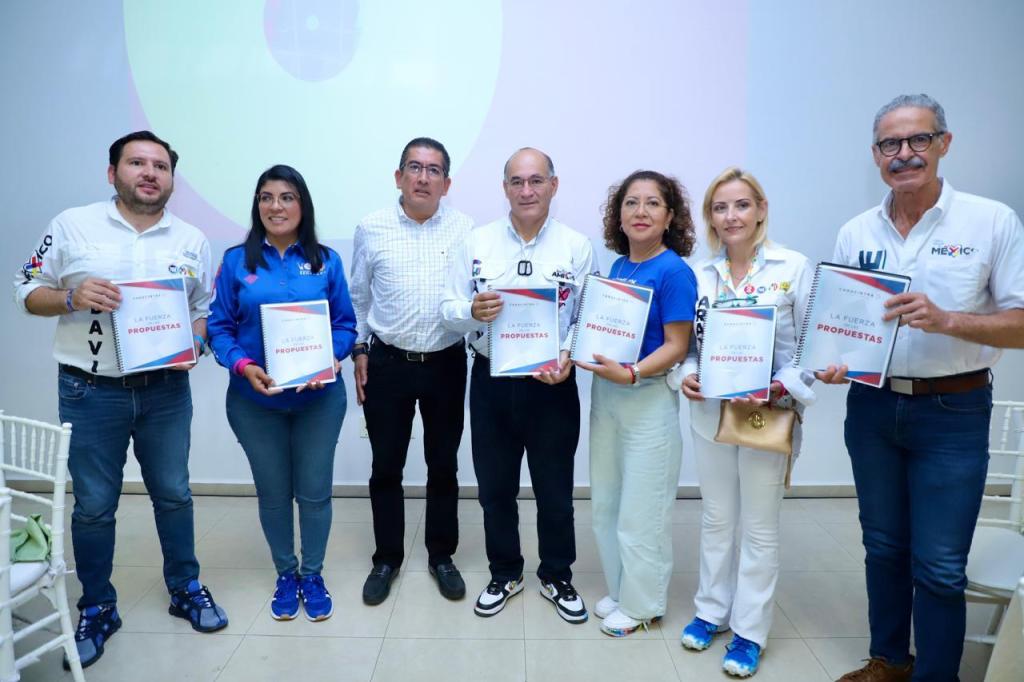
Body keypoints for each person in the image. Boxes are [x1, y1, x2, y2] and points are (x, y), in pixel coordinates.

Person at [821, 94, 1024, 682]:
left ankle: (938, 675)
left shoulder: (991, 222)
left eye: (918, 140)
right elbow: (841, 327)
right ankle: (889, 661)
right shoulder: (856, 231)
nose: (904, 153)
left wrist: (948, 320)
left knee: (939, 564)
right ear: (875, 154)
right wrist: (833, 363)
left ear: (944, 143)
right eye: (890, 143)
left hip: (952, 411)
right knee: (883, 546)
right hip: (872, 407)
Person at [13, 131, 228, 669]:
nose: (149, 173)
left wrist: (195, 343)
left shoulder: (192, 239)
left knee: (174, 494)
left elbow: (202, 310)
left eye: (160, 166)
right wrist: (70, 296)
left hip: (166, 392)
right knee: (93, 506)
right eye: (137, 163)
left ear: (172, 179)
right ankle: (97, 606)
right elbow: (26, 289)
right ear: (113, 173)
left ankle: (185, 588)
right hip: (89, 390)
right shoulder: (72, 225)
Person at [441, 147, 596, 622]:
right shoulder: (477, 242)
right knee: (495, 489)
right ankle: (505, 572)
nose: (526, 190)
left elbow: (585, 316)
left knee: (555, 491)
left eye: (536, 180)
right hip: (491, 380)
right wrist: (472, 311)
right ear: (504, 187)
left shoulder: (576, 246)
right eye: (517, 181)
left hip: (552, 383)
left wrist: (568, 353)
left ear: (553, 184)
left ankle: (556, 575)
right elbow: (447, 308)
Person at [673, 167, 815, 676]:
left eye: (741, 205)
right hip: (710, 413)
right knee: (716, 517)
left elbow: (810, 348)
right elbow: (689, 346)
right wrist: (686, 374)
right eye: (720, 207)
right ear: (710, 218)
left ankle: (749, 631)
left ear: (760, 210)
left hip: (766, 415)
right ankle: (711, 611)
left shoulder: (792, 267)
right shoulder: (700, 274)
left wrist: (783, 384)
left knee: (758, 526)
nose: (731, 216)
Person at [207, 164, 356, 622]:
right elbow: (219, 327)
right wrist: (243, 365)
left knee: (314, 492)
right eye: (267, 197)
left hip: (318, 400)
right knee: (273, 493)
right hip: (255, 402)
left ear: (302, 205)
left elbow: (345, 325)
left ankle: (312, 574)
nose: (276, 206)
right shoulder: (237, 261)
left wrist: (331, 358)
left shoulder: (327, 261)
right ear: (257, 205)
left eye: (287, 197)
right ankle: (286, 573)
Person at [349, 137, 474, 605]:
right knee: (386, 465)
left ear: (447, 183)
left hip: (446, 362)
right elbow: (359, 296)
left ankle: (442, 555)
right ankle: (387, 558)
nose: (423, 178)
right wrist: (359, 350)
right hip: (387, 363)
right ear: (398, 176)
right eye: (414, 168)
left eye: (433, 170)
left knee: (443, 465)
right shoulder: (371, 227)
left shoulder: (466, 230)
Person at [579, 171, 697, 637]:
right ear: (619, 215)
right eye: (631, 203)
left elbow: (677, 346)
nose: (640, 212)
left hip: (645, 396)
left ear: (670, 217)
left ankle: (644, 605)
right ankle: (622, 587)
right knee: (607, 503)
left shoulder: (674, 271)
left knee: (641, 511)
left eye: (652, 203)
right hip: (607, 395)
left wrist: (632, 373)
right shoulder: (618, 268)